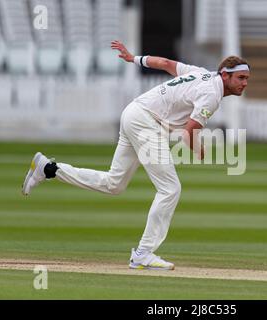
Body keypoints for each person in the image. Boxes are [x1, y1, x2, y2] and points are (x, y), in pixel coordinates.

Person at [21, 40, 250, 270]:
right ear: (225, 75)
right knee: (170, 189)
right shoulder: (211, 94)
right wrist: (200, 150)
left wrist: (134, 58)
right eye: (240, 78)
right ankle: (143, 253)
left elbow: (165, 63)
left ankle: (49, 169)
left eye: (247, 79)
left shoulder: (200, 74)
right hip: (147, 122)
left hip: (134, 112)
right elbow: (188, 132)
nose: (244, 83)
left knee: (114, 184)